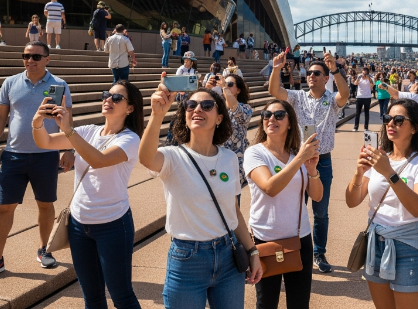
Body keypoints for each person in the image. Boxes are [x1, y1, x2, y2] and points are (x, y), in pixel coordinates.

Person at [138, 81, 263, 306]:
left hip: (228, 254)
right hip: (187, 259)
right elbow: (146, 158)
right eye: (191, 105)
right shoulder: (173, 157)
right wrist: (157, 115)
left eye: (207, 105)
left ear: (219, 118)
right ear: (185, 115)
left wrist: (252, 252)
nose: (198, 109)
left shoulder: (229, 158)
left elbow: (232, 211)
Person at [32, 80, 144, 308]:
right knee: (91, 295)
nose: (108, 100)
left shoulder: (130, 139)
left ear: (130, 108)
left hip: (113, 225)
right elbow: (44, 142)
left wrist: (69, 130)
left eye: (116, 98)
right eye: (106, 95)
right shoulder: (88, 131)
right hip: (79, 224)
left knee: (121, 295)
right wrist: (37, 122)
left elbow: (99, 160)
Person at [0, 41, 73, 280]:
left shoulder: (59, 84)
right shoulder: (10, 82)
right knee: (4, 207)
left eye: (35, 57)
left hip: (46, 156)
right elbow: (0, 117)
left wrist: (69, 148)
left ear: (47, 59)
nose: (30, 61)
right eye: (26, 56)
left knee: (45, 204)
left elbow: (66, 119)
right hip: (14, 155)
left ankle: (44, 249)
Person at [345, 99, 418, 309]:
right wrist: (358, 173)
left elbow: (417, 208)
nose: (390, 124)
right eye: (388, 118)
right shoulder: (380, 158)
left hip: (409, 246)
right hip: (375, 244)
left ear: (415, 127)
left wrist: (389, 172)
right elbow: (352, 201)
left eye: (398, 120)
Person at [268, 51, 348, 273]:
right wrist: (276, 68)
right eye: (309, 73)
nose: (311, 76)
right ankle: (296, 251)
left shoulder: (332, 100)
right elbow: (274, 91)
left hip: (322, 161)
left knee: (321, 211)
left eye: (316, 73)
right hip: (297, 160)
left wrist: (335, 69)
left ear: (325, 78)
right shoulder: (297, 97)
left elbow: (345, 93)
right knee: (295, 208)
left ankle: (318, 252)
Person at [244, 100, 323, 308]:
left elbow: (317, 196)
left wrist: (312, 170)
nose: (271, 119)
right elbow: (270, 188)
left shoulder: (298, 154)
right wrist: (299, 159)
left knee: (299, 303)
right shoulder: (255, 153)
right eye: (266, 114)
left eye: (279, 115)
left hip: (299, 238)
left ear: (290, 123)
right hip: (265, 238)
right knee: (266, 303)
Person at [214, 74, 253, 191]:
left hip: (235, 161)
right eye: (225, 83)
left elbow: (237, 111)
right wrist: (207, 89)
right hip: (215, 158)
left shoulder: (245, 108)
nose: (226, 86)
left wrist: (224, 88)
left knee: (233, 201)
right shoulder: (216, 109)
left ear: (238, 90)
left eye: (230, 84)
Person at [352, 67, 374, 132]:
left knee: (366, 112)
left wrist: (369, 79)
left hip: (367, 97)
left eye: (365, 71)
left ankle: (366, 127)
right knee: (357, 113)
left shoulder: (370, 77)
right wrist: (358, 79)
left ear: (367, 72)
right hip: (359, 97)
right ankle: (356, 127)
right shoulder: (359, 77)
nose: (364, 72)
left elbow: (372, 86)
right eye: (363, 70)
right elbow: (355, 83)